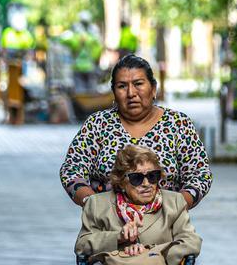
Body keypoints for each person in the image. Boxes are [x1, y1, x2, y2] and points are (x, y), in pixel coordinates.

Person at [60, 53, 213, 209]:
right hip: (107, 224)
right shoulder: (98, 124)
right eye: (122, 86)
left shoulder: (178, 124)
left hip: (166, 224)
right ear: (113, 92)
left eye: (138, 84)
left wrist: (174, 207)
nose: (131, 93)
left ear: (153, 89)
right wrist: (93, 205)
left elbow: (200, 175)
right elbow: (71, 170)